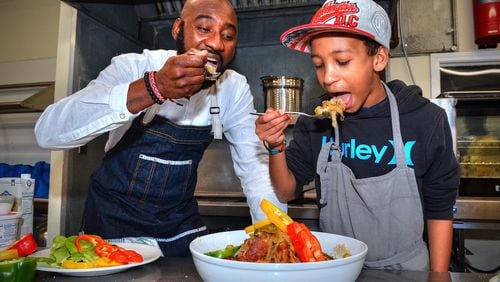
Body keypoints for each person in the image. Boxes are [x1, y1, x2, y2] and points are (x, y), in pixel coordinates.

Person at [34, 0, 286, 257]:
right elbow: (48, 132)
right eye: (203, 28)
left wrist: (277, 235)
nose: (216, 44)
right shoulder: (132, 67)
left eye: (228, 35)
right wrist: (153, 88)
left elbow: (255, 169)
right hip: (110, 234)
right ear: (178, 29)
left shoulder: (232, 88)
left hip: (179, 236)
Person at [255, 0, 459, 272]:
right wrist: (275, 146)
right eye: (319, 64)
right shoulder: (318, 123)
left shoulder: (424, 120)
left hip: (408, 272)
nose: (328, 77)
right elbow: (286, 190)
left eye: (342, 61)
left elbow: (439, 209)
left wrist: (439, 275)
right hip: (337, 268)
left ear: (379, 58)